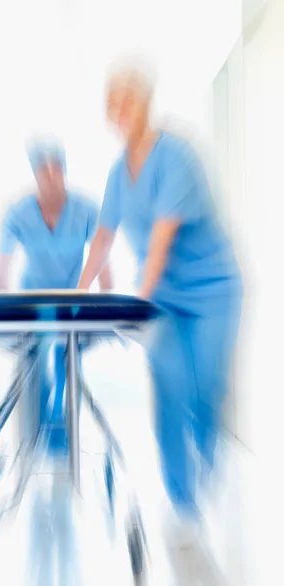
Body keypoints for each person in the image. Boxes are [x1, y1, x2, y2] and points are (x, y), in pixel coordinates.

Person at [78, 60, 243, 548]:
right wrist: (77, 294)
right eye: (111, 102)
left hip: (212, 290)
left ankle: (209, 454)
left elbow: (162, 237)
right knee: (169, 386)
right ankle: (183, 500)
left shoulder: (177, 156)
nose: (117, 110)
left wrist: (136, 302)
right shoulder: (116, 173)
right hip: (164, 298)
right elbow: (103, 238)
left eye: (125, 99)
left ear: (145, 103)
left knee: (204, 385)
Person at [0, 139, 112, 452]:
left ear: (64, 172)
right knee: (32, 362)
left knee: (66, 359)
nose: (51, 179)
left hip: (72, 301)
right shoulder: (18, 212)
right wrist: (4, 309)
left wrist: (103, 303)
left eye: (57, 171)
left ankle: (60, 424)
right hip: (32, 303)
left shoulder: (85, 209)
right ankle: (36, 428)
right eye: (44, 173)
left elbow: (103, 260)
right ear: (35, 176)